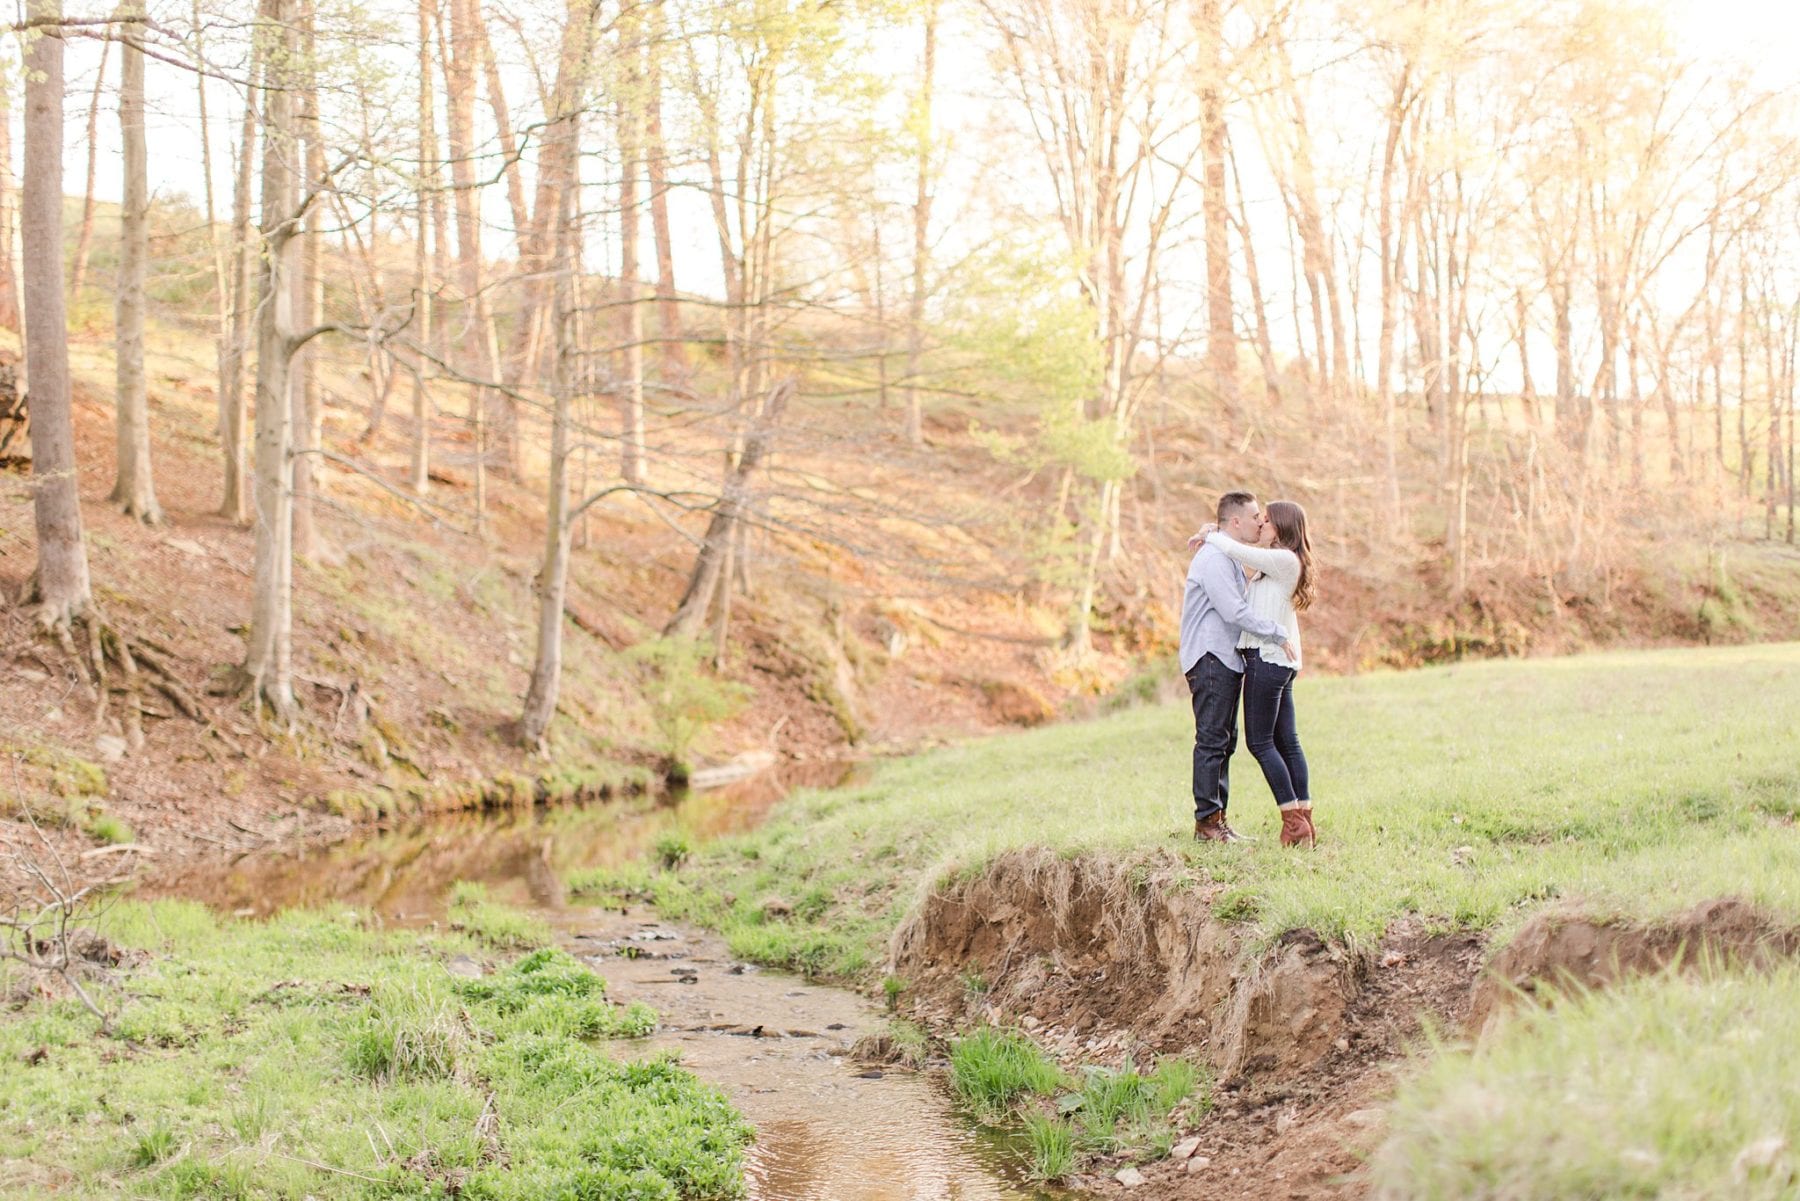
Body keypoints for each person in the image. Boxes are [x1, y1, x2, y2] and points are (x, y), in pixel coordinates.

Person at [1190, 500, 1317, 848]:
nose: (1261, 524)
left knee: (1259, 742)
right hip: (1276, 661)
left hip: (1267, 659)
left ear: (1281, 527)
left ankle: (1293, 822)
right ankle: (1303, 819)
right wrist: (1215, 532)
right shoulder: (1277, 564)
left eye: (1266, 520)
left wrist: (1211, 532)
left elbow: (1232, 547)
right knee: (1286, 742)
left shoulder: (1281, 559)